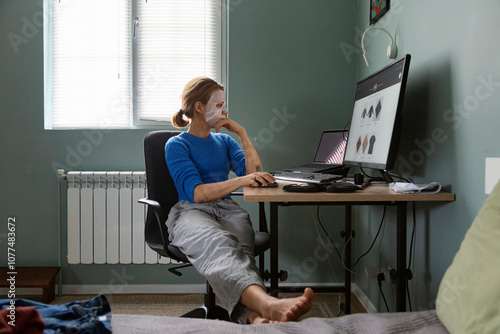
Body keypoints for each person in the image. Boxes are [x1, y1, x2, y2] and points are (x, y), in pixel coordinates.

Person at [165, 77, 314, 324]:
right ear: (199, 107)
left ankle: (255, 319)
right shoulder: (176, 144)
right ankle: (269, 305)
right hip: (191, 211)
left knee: (241, 257)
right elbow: (198, 193)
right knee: (220, 243)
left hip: (228, 211)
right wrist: (242, 181)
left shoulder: (224, 141)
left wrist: (242, 134)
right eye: (219, 104)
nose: (224, 110)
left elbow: (255, 173)